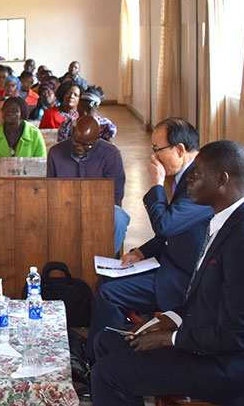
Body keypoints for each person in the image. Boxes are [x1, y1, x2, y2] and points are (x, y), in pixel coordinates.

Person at [90, 140, 244, 406]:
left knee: (106, 375)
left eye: (197, 174)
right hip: (202, 337)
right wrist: (172, 318)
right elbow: (209, 296)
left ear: (222, 180)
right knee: (105, 340)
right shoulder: (226, 218)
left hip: (226, 366)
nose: (189, 180)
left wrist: (172, 339)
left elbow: (237, 335)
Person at [86, 118, 213, 358]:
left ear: (180, 150)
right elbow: (178, 229)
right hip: (169, 261)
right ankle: (98, 353)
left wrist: (156, 182)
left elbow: (166, 225)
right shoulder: (186, 175)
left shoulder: (200, 181)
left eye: (158, 149)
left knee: (108, 294)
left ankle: (109, 361)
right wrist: (141, 252)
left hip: (183, 277)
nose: (153, 156)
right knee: (105, 280)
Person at [47, 116, 128, 255]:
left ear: (97, 139)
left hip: (100, 207)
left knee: (119, 218)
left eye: (87, 145)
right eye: (76, 141)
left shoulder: (111, 154)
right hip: (64, 207)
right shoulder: (55, 153)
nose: (79, 147)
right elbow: (50, 189)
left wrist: (93, 209)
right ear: (72, 132)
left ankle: (107, 260)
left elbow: (116, 193)